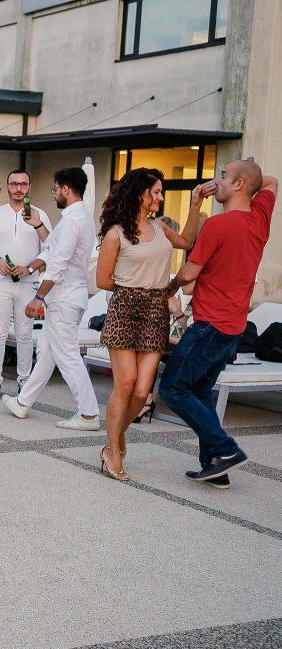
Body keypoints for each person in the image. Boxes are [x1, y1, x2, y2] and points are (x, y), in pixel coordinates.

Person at [160, 162, 277, 488]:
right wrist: (244, 183)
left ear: (239, 184)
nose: (216, 181)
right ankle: (215, 466)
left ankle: (226, 449)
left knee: (172, 388)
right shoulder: (260, 218)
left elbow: (188, 275)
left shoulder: (216, 225)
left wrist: (168, 288)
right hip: (233, 328)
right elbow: (271, 181)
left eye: (222, 176)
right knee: (200, 392)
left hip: (208, 326)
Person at [95, 167, 196, 481]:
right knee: (125, 384)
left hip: (155, 310)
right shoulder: (116, 234)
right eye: (156, 191)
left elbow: (187, 241)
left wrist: (194, 205)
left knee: (141, 393)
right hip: (125, 308)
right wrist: (134, 288)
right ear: (140, 193)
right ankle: (113, 449)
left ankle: (116, 436)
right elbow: (103, 280)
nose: (160, 197)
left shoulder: (161, 227)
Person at [1, 167, 101, 431]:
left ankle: (89, 413)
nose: (54, 193)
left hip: (64, 297)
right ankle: (23, 402)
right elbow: (53, 247)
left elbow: (57, 263)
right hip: (69, 295)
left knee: (67, 355)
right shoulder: (80, 217)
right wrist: (38, 225)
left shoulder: (71, 221)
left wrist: (38, 297)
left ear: (66, 189)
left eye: (55, 189)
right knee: (47, 352)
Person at [0, 170, 53, 398]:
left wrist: (30, 267)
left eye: (23, 184)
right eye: (14, 184)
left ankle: (24, 380)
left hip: (29, 281)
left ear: (29, 187)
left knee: (24, 333)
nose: (19, 188)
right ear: (8, 186)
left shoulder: (40, 215)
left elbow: (51, 247)